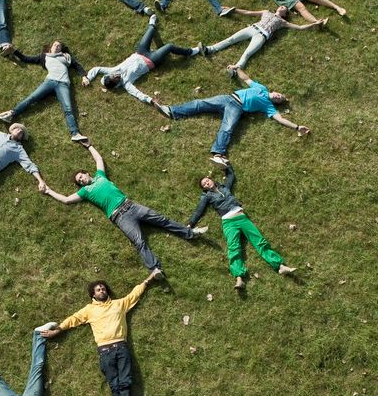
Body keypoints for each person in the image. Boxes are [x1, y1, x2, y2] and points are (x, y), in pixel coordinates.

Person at [42, 141, 207, 272]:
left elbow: (98, 160)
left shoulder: (100, 176)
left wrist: (89, 145)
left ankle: (190, 233)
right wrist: (48, 190)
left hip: (131, 206)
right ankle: (155, 269)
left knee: (162, 220)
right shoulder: (85, 192)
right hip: (119, 217)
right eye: (79, 181)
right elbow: (65, 199)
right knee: (139, 241)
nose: (81, 180)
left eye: (81, 176)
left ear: (86, 173)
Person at [39, 268, 161, 396]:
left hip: (121, 348)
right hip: (105, 352)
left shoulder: (119, 304)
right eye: (98, 289)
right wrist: (58, 330)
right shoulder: (89, 310)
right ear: (93, 294)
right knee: (115, 384)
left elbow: (135, 293)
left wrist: (150, 278)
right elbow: (73, 319)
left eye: (103, 288)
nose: (101, 290)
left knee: (125, 383)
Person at [152, 67, 310, 167]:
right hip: (228, 98)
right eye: (279, 94)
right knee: (200, 103)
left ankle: (218, 154)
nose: (278, 96)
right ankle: (171, 111)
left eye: (279, 99)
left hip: (238, 108)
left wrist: (296, 127)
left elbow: (280, 118)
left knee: (227, 128)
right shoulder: (261, 87)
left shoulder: (268, 106)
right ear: (276, 90)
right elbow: (246, 79)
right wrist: (237, 68)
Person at [188, 164, 296, 289]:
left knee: (259, 241)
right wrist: (191, 223)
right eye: (204, 184)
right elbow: (199, 210)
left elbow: (231, 176)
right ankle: (239, 278)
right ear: (204, 188)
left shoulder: (224, 187)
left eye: (207, 180)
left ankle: (280, 266)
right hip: (228, 222)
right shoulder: (206, 196)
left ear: (211, 179)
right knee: (234, 248)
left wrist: (226, 166)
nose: (207, 183)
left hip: (241, 217)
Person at [86, 15, 202, 105]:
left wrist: (88, 77)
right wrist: (150, 100)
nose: (117, 75)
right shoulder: (127, 83)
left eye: (114, 75)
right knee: (169, 47)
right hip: (151, 60)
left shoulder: (113, 70)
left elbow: (97, 69)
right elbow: (137, 93)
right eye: (117, 78)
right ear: (117, 84)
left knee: (151, 29)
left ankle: (152, 23)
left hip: (140, 52)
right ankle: (191, 52)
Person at [0, 40, 90, 142]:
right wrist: (14, 51)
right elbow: (26, 59)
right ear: (50, 48)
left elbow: (77, 66)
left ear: (61, 49)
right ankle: (11, 114)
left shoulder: (66, 57)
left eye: (59, 46)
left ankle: (75, 133)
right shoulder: (44, 57)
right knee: (32, 98)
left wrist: (84, 76)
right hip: (49, 81)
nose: (56, 46)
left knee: (68, 109)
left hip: (63, 84)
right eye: (55, 45)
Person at [203, 6, 326, 69]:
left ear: (285, 14)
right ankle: (210, 49)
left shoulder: (283, 22)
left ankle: (236, 68)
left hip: (262, 36)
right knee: (231, 39)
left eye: (284, 8)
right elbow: (249, 13)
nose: (282, 7)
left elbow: (299, 27)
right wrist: (233, 9)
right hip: (253, 28)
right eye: (281, 6)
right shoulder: (266, 12)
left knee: (247, 53)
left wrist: (314, 24)